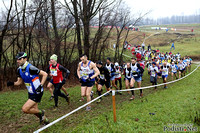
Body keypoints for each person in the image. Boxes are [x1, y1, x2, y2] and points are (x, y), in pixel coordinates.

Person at [7, 52, 49, 125]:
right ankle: (45, 121)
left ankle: (41, 112)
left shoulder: (30, 68)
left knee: (25, 109)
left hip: (37, 92)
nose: (18, 61)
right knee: (34, 110)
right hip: (30, 92)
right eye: (17, 59)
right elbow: (19, 82)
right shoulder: (19, 70)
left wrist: (40, 85)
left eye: (19, 59)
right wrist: (12, 83)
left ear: (25, 59)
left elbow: (45, 74)